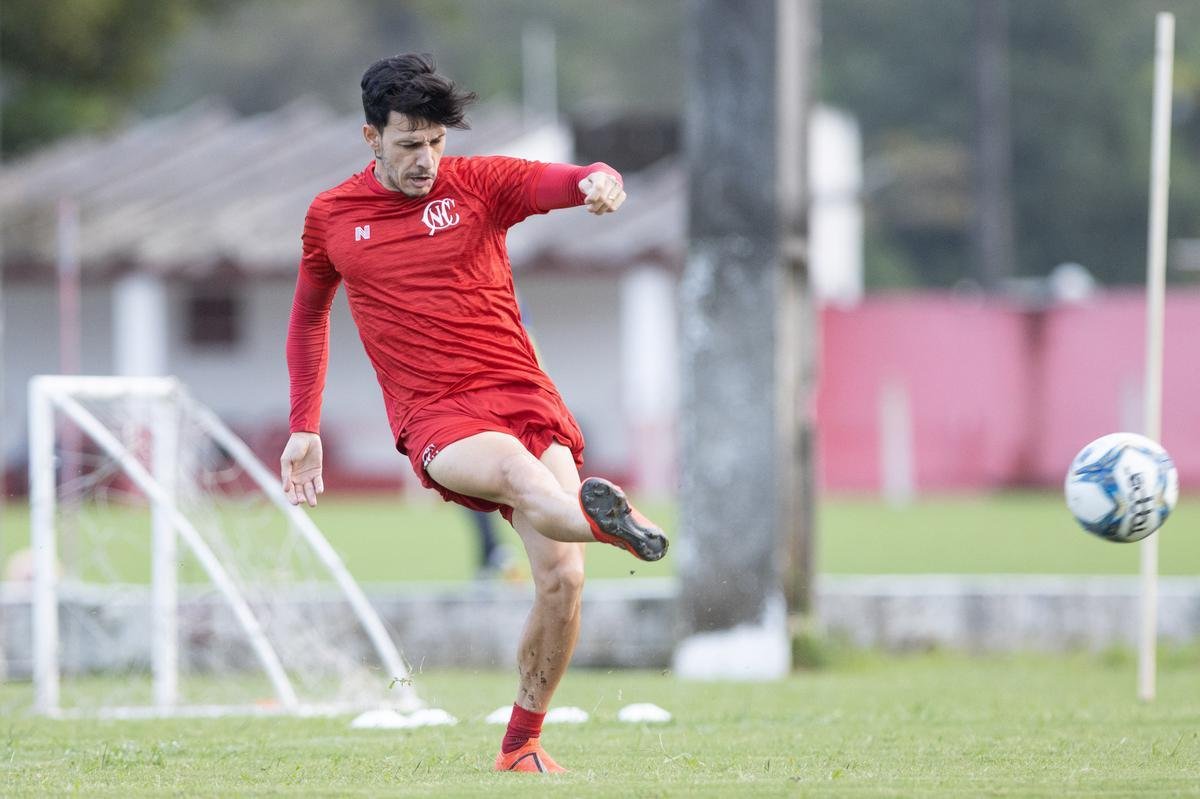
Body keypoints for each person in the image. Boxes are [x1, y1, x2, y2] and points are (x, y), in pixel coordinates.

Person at [279, 53, 668, 774]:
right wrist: (305, 423)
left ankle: (520, 742)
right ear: (371, 139)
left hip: (521, 393)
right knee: (525, 480)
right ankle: (616, 525)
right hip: (437, 416)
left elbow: (561, 180)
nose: (425, 159)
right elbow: (308, 318)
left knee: (564, 579)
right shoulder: (331, 216)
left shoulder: (478, 184)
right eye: (407, 145)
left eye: (434, 142)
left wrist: (598, 181)